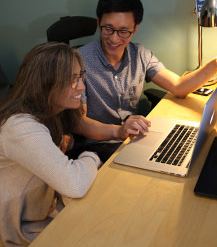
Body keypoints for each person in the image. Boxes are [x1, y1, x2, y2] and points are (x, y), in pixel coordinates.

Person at [76, 0, 217, 161]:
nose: (114, 39)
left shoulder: (140, 54)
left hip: (131, 140)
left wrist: (215, 64)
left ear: (135, 28)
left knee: (193, 156)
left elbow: (179, 87)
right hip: (97, 147)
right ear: (99, 22)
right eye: (108, 28)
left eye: (123, 31)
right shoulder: (79, 61)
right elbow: (79, 122)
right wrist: (118, 131)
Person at [0, 42, 147, 247]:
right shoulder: (20, 127)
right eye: (73, 80)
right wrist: (91, 157)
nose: (82, 86)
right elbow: (75, 184)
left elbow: (82, 125)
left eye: (81, 77)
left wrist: (120, 131)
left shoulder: (52, 111)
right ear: (46, 83)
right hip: (25, 231)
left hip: (46, 207)